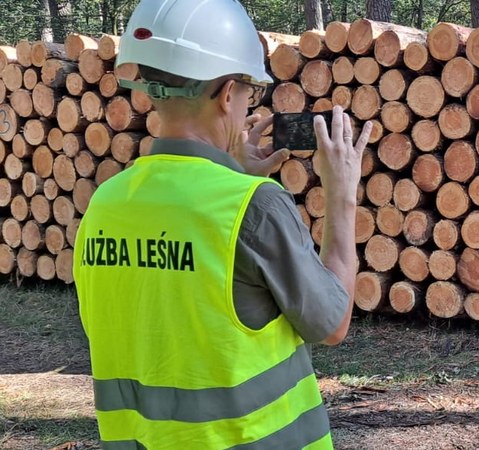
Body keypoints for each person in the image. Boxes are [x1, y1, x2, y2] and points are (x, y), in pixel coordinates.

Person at [73, 0, 372, 448]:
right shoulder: (255, 207)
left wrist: (231, 177)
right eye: (249, 91)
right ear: (227, 92)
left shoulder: (105, 203)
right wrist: (342, 195)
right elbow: (332, 323)